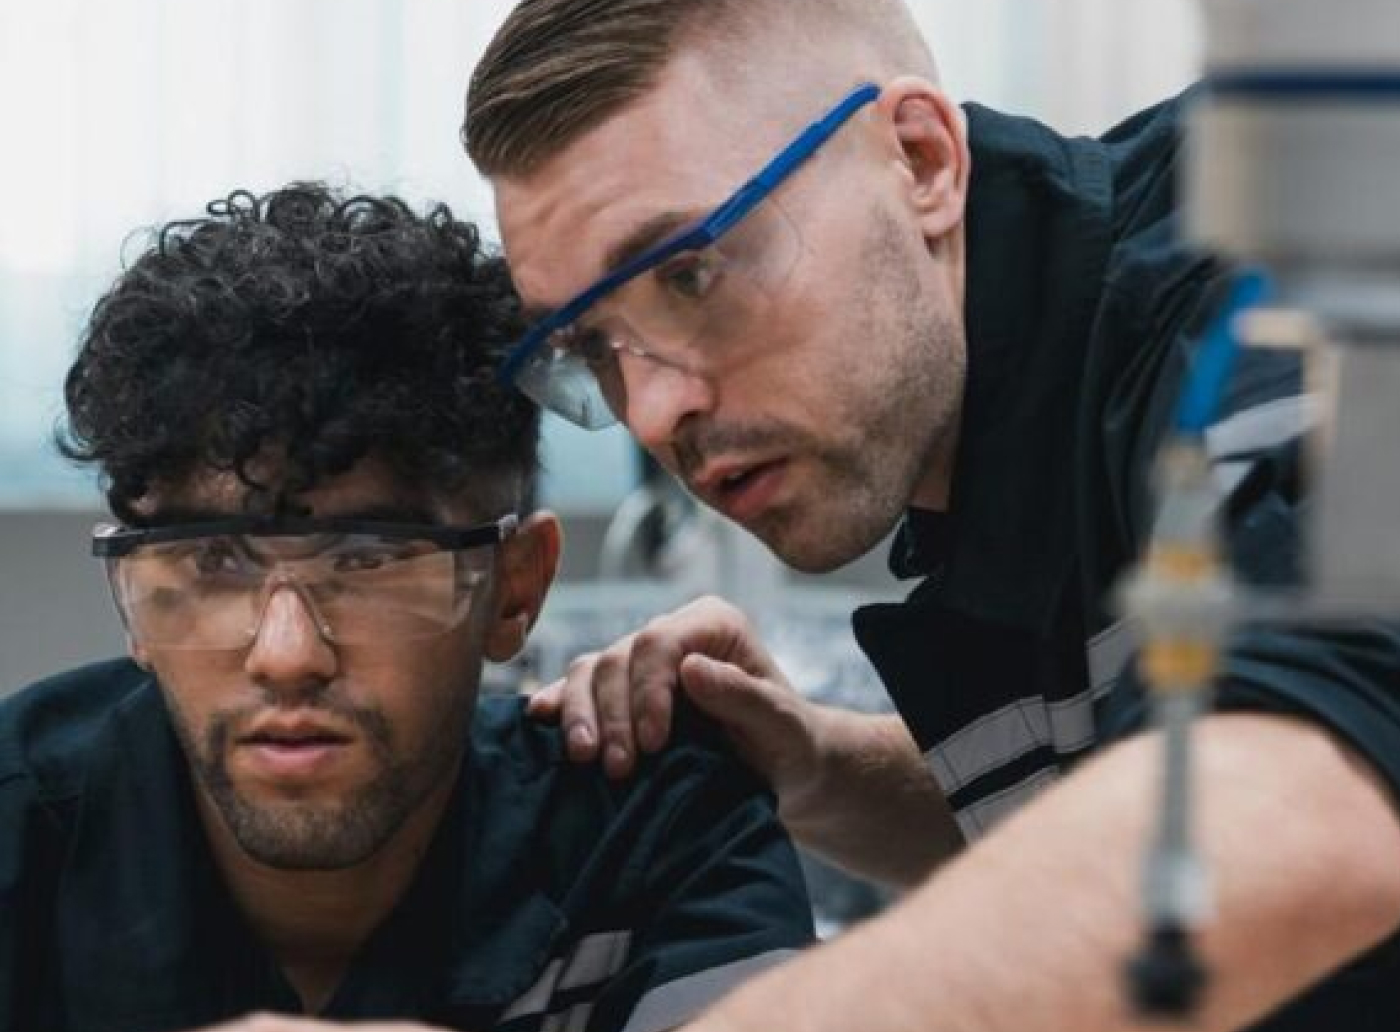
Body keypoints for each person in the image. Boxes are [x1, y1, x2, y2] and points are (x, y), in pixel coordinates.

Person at [458, 1, 1400, 1029]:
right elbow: (1125, 812)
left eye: (693, 274)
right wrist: (814, 771)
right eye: (590, 351)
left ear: (919, 160)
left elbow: (1314, 804)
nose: (655, 411)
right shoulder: (983, 458)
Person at [0, 184, 813, 1032]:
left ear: (515, 587)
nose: (286, 655)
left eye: (367, 561)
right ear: (131, 601)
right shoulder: (18, 830)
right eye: (214, 561)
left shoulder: (649, 826)